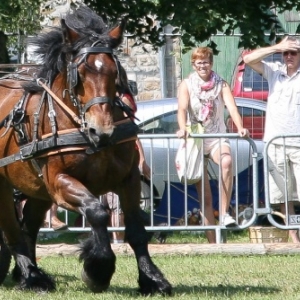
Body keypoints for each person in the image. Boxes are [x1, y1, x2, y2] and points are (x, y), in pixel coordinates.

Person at [177, 47, 249, 243]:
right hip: (196, 140)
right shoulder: (187, 84)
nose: (203, 66)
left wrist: (240, 127)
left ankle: (225, 214)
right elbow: (182, 109)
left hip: (217, 135)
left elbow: (232, 107)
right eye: (199, 62)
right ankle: (213, 243)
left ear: (211, 63)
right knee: (206, 197)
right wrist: (182, 128)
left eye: (206, 62)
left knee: (226, 162)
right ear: (193, 64)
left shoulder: (221, 84)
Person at [243, 36, 300, 243]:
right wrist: (277, 47)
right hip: (276, 142)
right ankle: (294, 236)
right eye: (286, 53)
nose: (289, 56)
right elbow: (249, 59)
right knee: (284, 196)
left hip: (298, 143)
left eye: (293, 52)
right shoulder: (274, 72)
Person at [101, 72, 151, 244]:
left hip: (122, 154)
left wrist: (142, 159)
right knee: (109, 203)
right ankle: (114, 240)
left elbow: (131, 131)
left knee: (117, 204)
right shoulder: (104, 97)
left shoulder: (122, 98)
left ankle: (118, 241)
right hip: (108, 154)